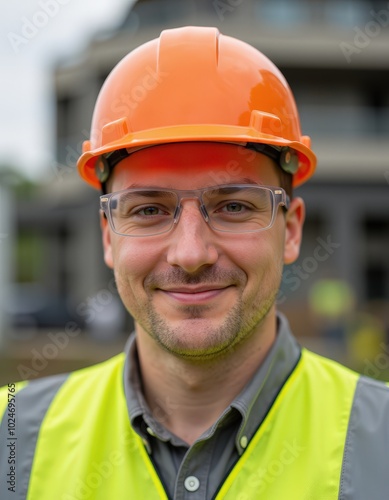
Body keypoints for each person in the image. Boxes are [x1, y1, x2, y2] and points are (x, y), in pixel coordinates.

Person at [1, 26, 388, 500]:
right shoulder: (12, 434)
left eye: (234, 207)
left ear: (290, 230)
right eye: (149, 210)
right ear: (108, 235)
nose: (190, 254)